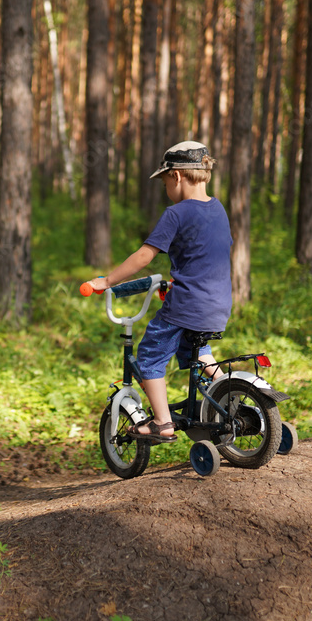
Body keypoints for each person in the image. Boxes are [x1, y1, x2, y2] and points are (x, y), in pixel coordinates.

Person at [83, 141, 232, 443]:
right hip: (219, 304)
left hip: (188, 303)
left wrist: (107, 281)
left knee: (150, 355)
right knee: (198, 350)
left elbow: (144, 256)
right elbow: (207, 255)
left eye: (165, 183)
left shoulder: (176, 214)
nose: (166, 189)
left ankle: (162, 422)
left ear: (176, 176)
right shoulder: (218, 209)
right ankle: (230, 394)